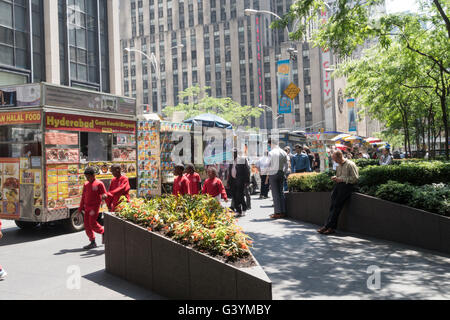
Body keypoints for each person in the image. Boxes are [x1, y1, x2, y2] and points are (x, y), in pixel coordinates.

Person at [317, 150, 359, 235]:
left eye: (335, 159)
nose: (334, 161)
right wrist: (336, 177)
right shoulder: (339, 165)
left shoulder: (350, 164)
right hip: (339, 185)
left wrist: (342, 179)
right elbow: (340, 176)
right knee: (333, 206)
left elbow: (355, 179)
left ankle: (329, 227)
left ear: (340, 157)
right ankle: (328, 226)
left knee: (336, 206)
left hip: (347, 186)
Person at [79, 167, 107, 249]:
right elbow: (83, 197)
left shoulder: (99, 183)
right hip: (86, 208)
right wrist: (80, 208)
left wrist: (104, 196)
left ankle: (103, 231)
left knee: (92, 223)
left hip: (94, 208)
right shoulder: (86, 184)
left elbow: (104, 193)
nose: (87, 178)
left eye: (88, 177)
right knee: (87, 225)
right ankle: (92, 242)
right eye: (86, 177)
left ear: (93, 175)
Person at [267, 139, 288, 219]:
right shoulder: (284, 152)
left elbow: (268, 164)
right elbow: (286, 165)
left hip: (273, 173)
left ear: (271, 144)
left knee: (275, 194)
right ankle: (283, 212)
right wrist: (284, 173)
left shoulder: (271, 153)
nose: (269, 146)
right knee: (281, 192)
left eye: (269, 145)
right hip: (281, 173)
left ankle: (277, 212)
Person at [228, 149, 250, 217]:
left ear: (236, 153)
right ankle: (238, 210)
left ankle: (244, 209)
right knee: (234, 196)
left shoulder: (242, 159)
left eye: (233, 153)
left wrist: (247, 181)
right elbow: (230, 171)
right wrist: (228, 181)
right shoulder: (231, 161)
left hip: (240, 180)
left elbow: (247, 170)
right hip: (233, 181)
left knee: (240, 195)